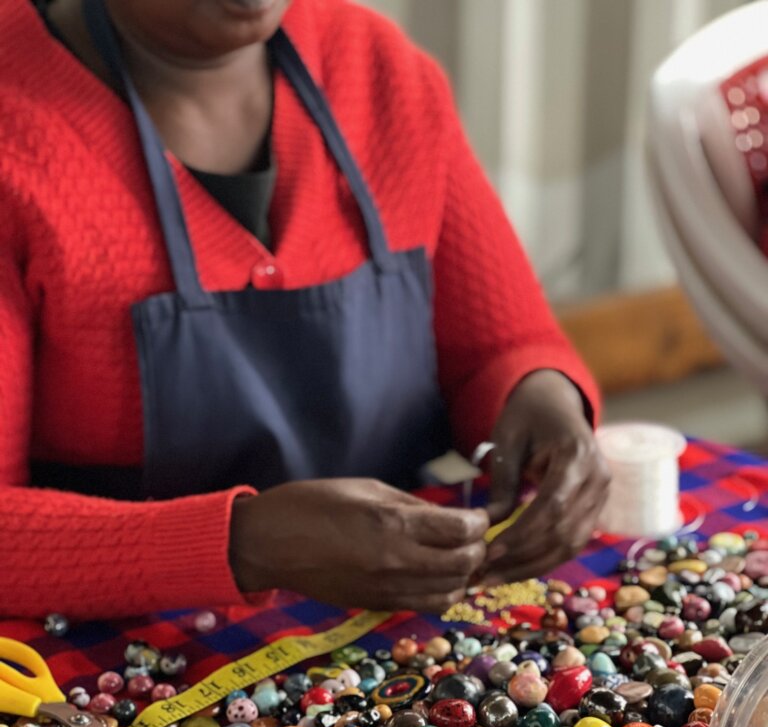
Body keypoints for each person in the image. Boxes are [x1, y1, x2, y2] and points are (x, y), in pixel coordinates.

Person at [0, 0, 609, 620]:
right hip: (101, 661)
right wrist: (249, 543)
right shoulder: (16, 125)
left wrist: (542, 398)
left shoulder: (376, 67)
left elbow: (500, 349)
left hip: (383, 630)